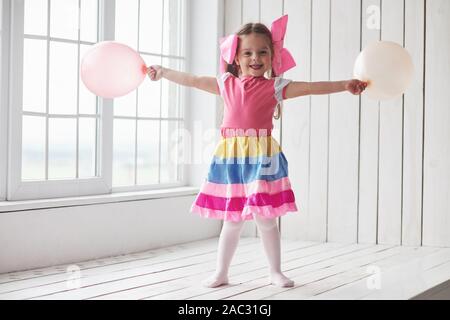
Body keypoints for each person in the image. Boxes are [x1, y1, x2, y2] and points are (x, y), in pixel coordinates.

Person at [147, 15, 367, 288]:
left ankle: (275, 271)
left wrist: (344, 85)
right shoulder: (225, 83)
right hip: (232, 159)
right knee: (233, 219)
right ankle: (221, 272)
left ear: (272, 57)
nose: (255, 57)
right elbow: (191, 79)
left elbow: (311, 88)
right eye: (247, 52)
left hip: (262, 158)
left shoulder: (276, 87)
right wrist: (164, 71)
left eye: (263, 51)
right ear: (236, 57)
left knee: (266, 219)